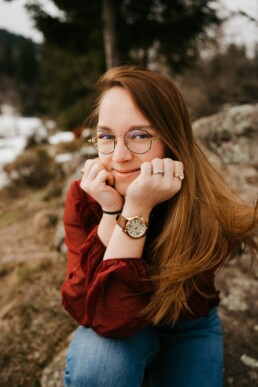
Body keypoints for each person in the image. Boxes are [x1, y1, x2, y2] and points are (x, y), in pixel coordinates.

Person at [62, 66, 258, 387]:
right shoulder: (84, 197)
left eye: (139, 135)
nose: (120, 156)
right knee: (99, 370)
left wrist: (141, 205)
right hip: (123, 325)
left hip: (187, 326)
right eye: (107, 136)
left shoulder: (203, 205)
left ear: (171, 139)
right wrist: (117, 209)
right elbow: (102, 314)